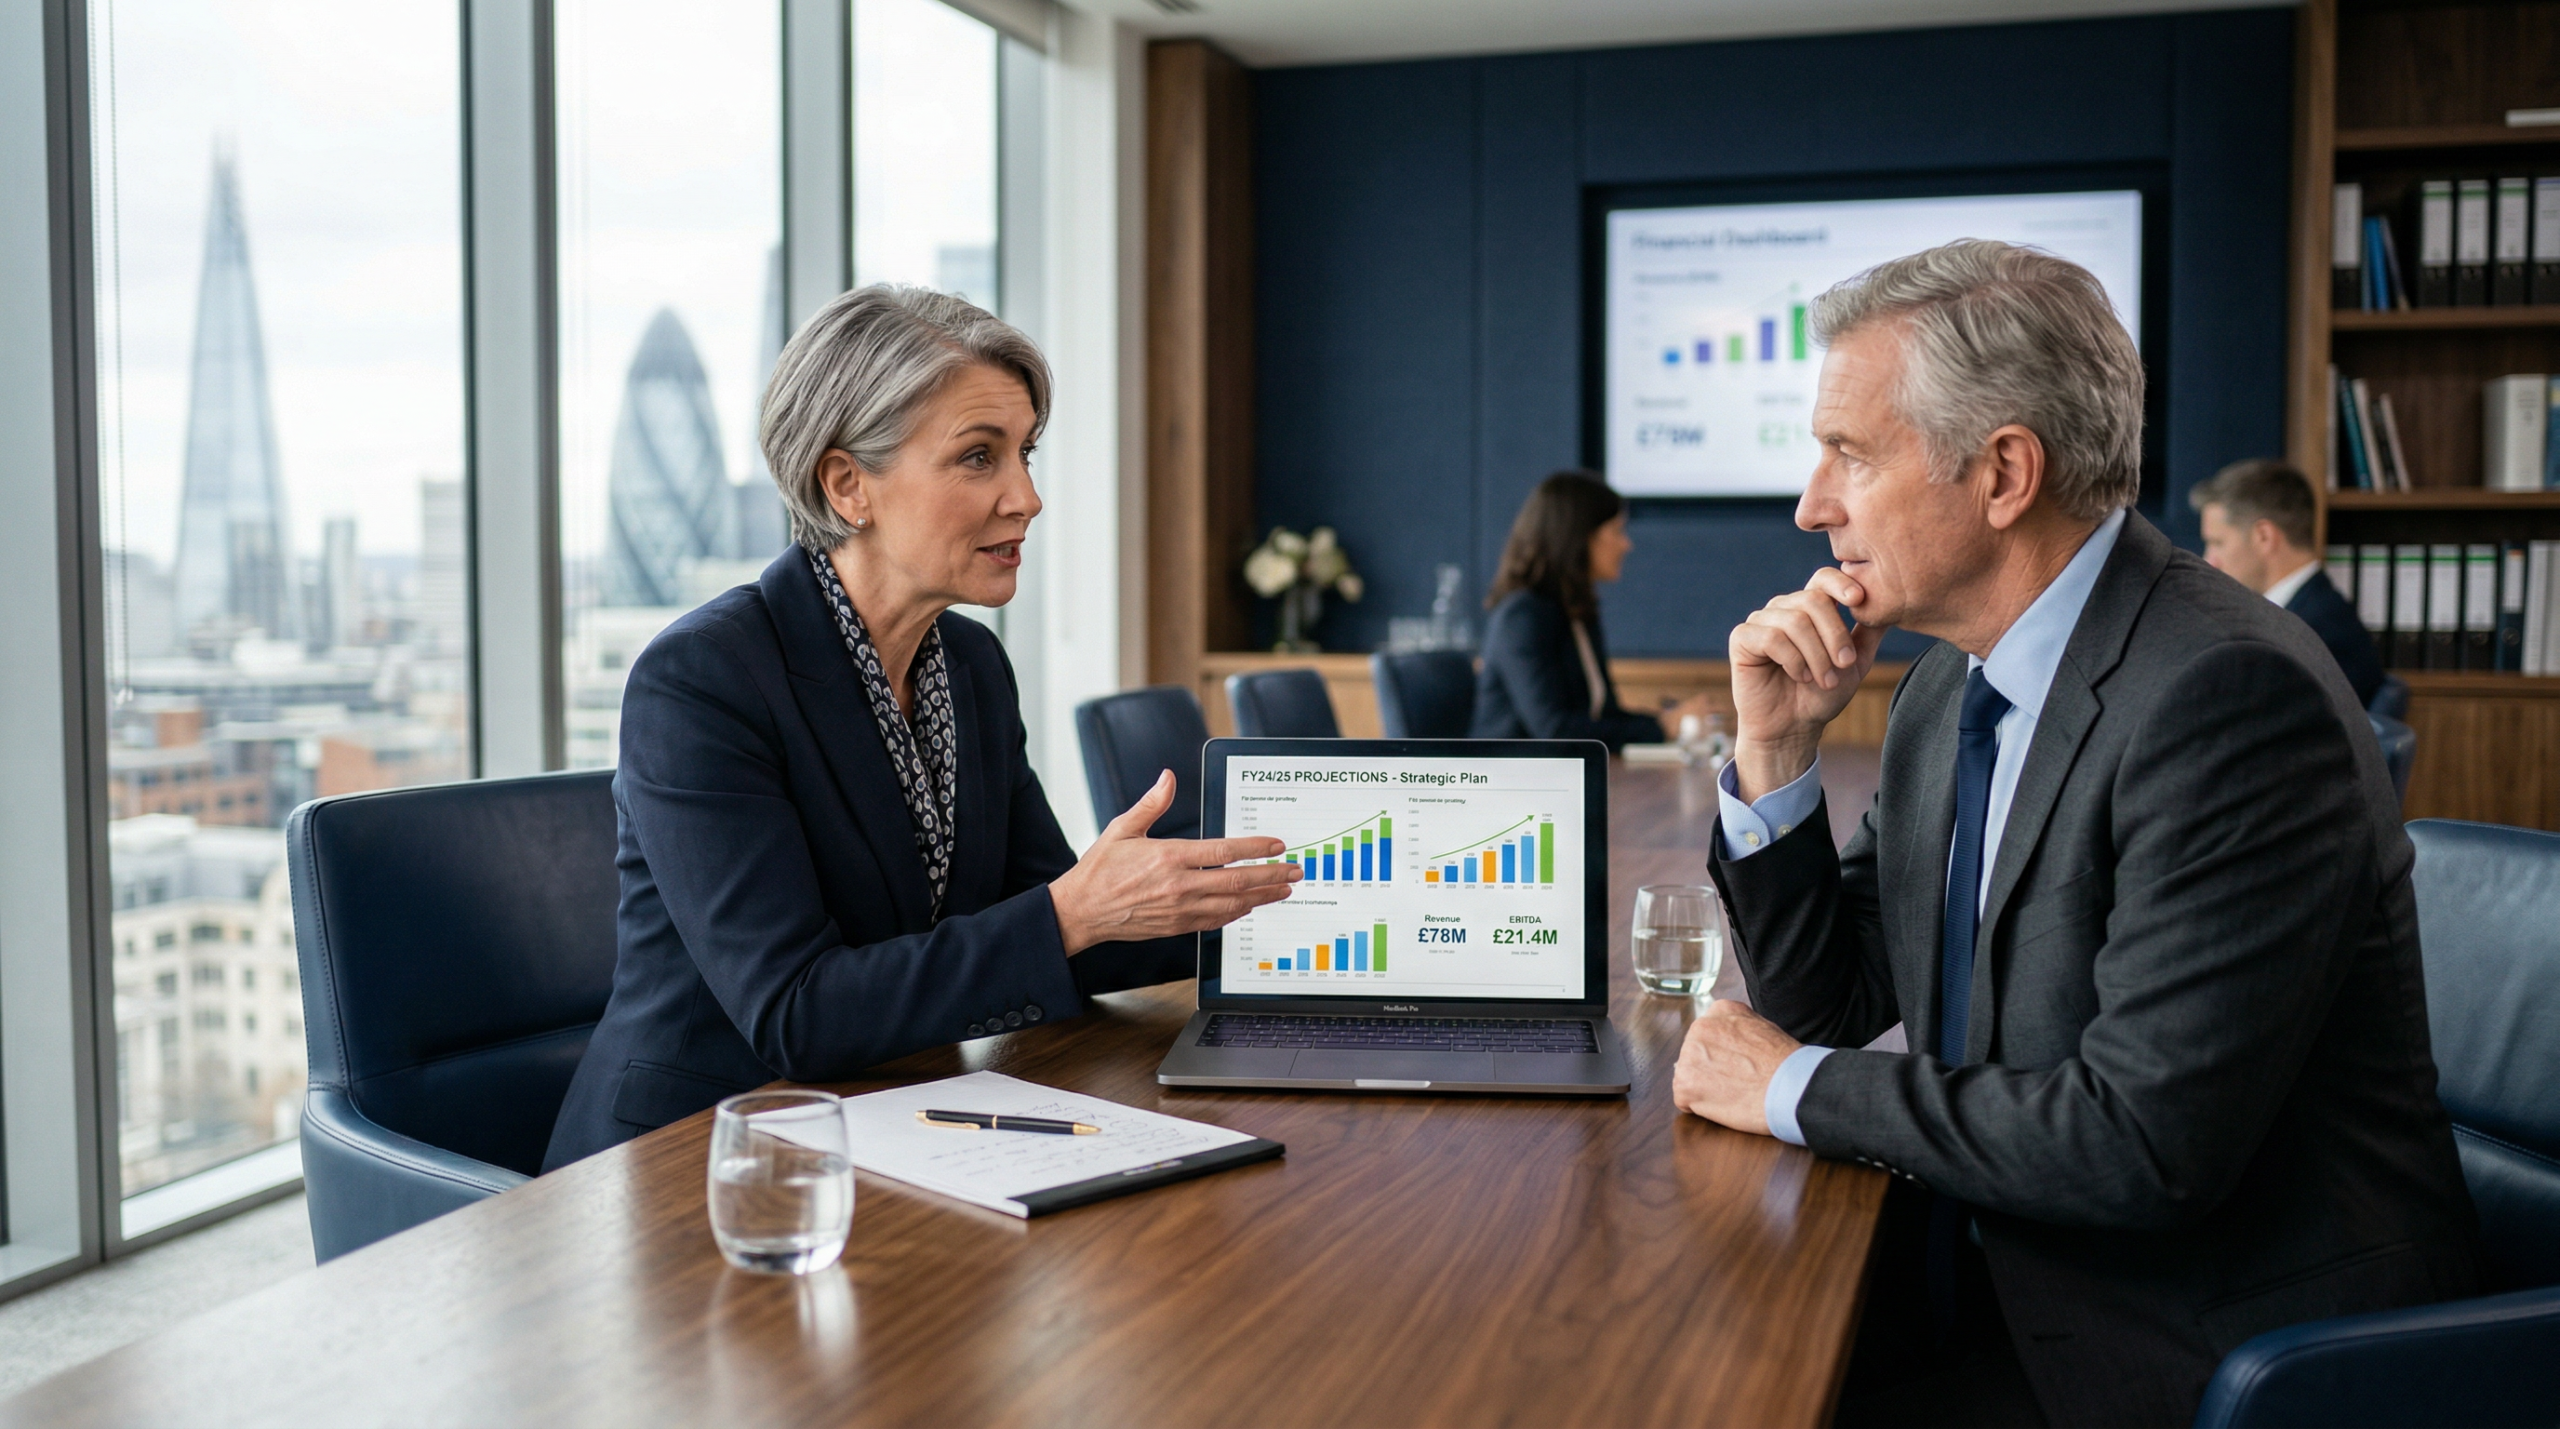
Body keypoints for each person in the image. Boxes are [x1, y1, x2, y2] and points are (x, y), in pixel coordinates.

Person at [1667, 241, 2476, 1427]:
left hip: (2187, 1349)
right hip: (1989, 1275)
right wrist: (1777, 756)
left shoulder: (2227, 696)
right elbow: (1828, 1003)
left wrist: (1789, 1086)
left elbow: (2140, 1141)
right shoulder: (1952, 689)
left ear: (2002, 473)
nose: (1810, 504)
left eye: (1849, 453)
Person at [544, 287, 1300, 1170]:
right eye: (979, 457)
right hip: (698, 1161)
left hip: (895, 1124)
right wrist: (1073, 913)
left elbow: (1056, 928)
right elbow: (798, 1010)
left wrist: (1260, 909)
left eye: (1025, 453)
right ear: (847, 484)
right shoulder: (700, 682)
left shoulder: (971, 669)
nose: (1027, 497)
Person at [1471, 471, 1713, 750]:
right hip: (1510, 783)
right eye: (1616, 531)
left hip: (1558, 778)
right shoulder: (1523, 617)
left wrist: (1666, 720)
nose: (1626, 544)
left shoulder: (1576, 613)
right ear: (1578, 538)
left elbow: (1603, 714)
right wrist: (1661, 727)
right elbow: (1555, 729)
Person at [2191, 458, 2384, 708]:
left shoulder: (2310, 634)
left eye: (2218, 543)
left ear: (2264, 537)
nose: (2209, 561)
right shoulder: (2318, 613)